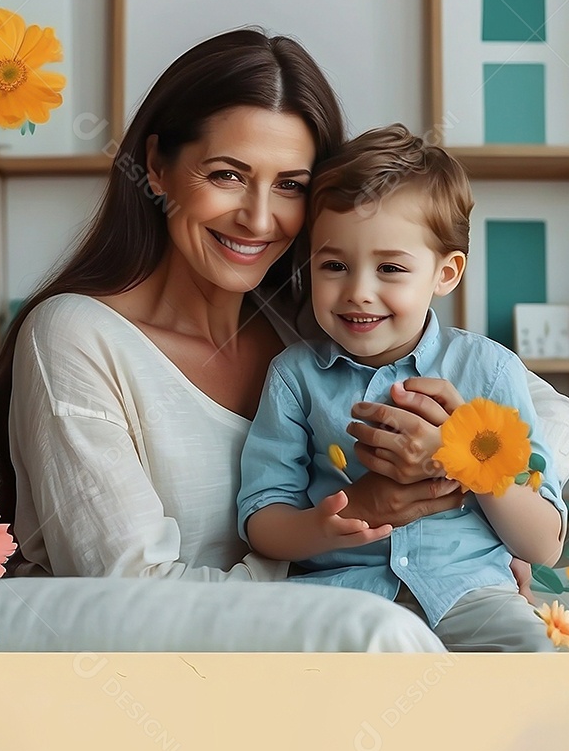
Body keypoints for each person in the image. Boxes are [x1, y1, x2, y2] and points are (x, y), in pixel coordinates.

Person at [0, 29, 475, 653]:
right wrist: (330, 545)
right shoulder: (77, 336)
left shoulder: (319, 329)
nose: (260, 219)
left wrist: (462, 487)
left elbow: (539, 420)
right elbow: (132, 594)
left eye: (291, 185)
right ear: (156, 168)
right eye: (228, 175)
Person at [237, 124, 567, 651]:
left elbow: (544, 544)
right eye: (334, 265)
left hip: (470, 596)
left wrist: (468, 457)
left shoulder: (490, 371)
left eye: (390, 267)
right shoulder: (294, 377)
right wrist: (333, 522)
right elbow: (262, 520)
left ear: (446, 272)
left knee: (540, 663)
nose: (358, 293)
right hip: (340, 601)